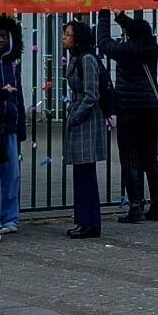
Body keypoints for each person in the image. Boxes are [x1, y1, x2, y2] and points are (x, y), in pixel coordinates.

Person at [99, 9, 158, 223]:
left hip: (129, 109)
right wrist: (123, 19)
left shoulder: (125, 49)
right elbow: (137, 29)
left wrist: (104, 15)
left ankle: (135, 207)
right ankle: (156, 206)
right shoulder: (151, 46)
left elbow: (103, 42)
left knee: (130, 158)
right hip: (151, 109)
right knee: (150, 159)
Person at [58, 17, 109, 238]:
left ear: (77, 38)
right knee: (80, 171)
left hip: (87, 118)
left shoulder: (87, 59)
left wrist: (76, 116)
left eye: (68, 34)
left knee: (86, 171)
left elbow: (91, 95)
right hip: (78, 115)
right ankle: (82, 219)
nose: (64, 38)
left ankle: (90, 222)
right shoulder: (76, 59)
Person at [0, 15, 26, 235]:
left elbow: (19, 98)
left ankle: (10, 217)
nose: (1, 40)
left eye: (5, 36)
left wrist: (21, 126)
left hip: (10, 125)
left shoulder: (12, 65)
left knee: (11, 174)